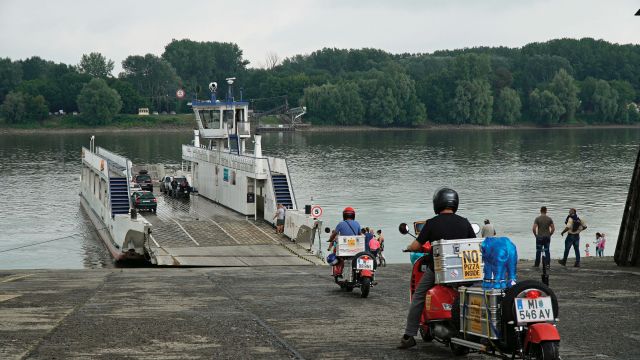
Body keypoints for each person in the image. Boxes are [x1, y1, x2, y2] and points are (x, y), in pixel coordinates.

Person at [398, 187, 476, 349]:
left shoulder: (432, 223)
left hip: (439, 270)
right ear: (454, 203)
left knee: (418, 295)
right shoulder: (464, 222)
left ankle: (408, 336)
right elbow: (472, 244)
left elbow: (416, 245)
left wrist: (409, 248)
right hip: (463, 270)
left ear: (437, 203)